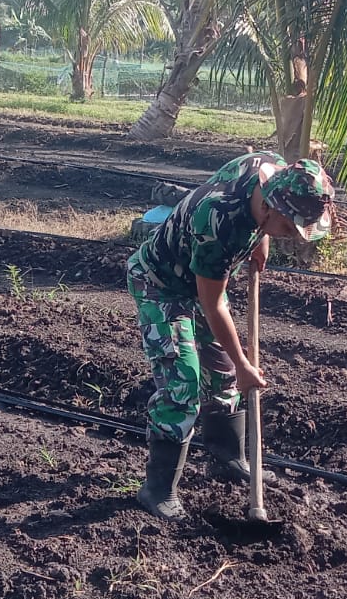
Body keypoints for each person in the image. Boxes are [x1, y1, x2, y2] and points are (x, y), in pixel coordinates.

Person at [126, 152, 335, 520]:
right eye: (290, 229)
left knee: (221, 376)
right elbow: (212, 305)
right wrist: (243, 364)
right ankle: (156, 490)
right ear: (270, 208)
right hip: (161, 284)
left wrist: (262, 238)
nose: (292, 238)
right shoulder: (218, 223)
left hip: (204, 273)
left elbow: (259, 179)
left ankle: (227, 458)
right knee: (184, 381)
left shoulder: (270, 169)